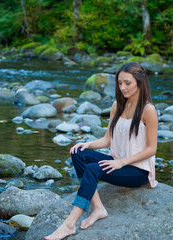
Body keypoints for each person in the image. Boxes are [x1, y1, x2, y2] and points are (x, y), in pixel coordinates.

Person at [44, 62, 158, 240]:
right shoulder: (117, 106)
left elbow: (152, 149)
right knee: (78, 153)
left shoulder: (148, 110)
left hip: (137, 171)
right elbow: (108, 139)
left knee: (92, 168)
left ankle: (69, 224)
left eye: (127, 83)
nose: (122, 87)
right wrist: (87, 144)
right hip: (116, 161)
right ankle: (98, 208)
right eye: (120, 83)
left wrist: (121, 162)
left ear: (139, 82)